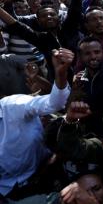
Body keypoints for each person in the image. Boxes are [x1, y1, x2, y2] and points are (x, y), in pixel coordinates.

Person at [0, 48, 72, 200]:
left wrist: (60, 74)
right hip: (5, 190)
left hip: (44, 174)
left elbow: (55, 103)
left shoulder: (13, 105)